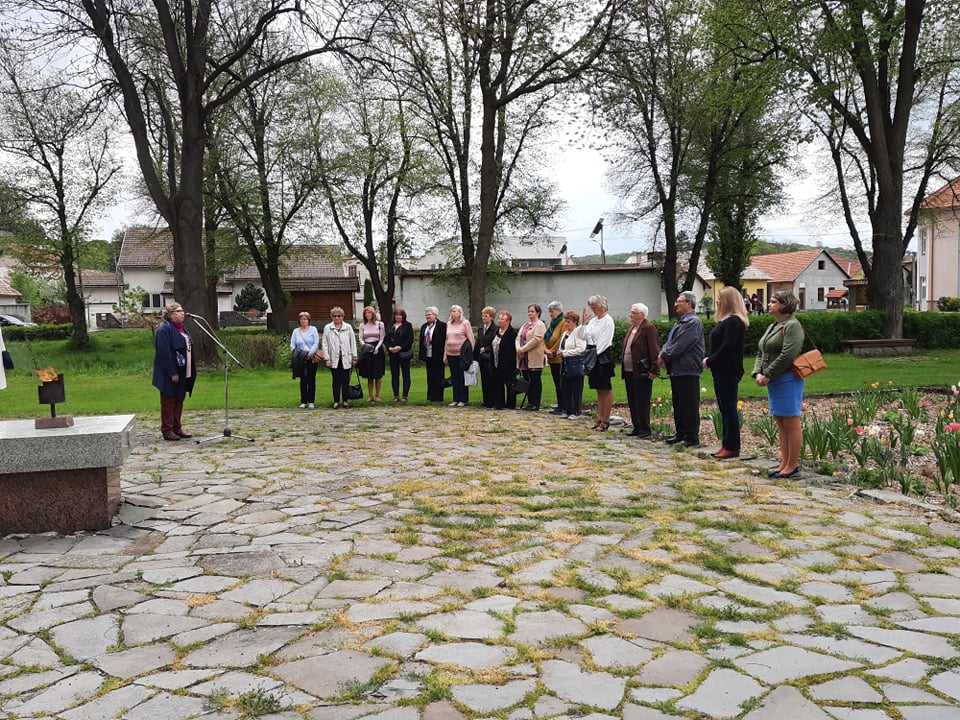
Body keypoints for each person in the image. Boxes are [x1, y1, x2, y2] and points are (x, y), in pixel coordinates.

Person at [752, 289, 805, 478]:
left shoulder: (793, 326)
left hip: (787, 379)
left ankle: (792, 465)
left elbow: (788, 355)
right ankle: (784, 462)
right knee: (780, 422)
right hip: (774, 380)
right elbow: (762, 351)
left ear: (784, 305)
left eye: (773, 301)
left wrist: (767, 374)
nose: (769, 304)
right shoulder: (774, 325)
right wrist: (757, 372)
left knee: (790, 421)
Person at [704, 286, 749, 458]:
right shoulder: (727, 321)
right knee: (724, 407)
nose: (717, 301)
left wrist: (710, 360)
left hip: (728, 370)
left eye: (719, 298)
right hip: (720, 370)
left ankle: (732, 446)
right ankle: (726, 443)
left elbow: (727, 347)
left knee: (729, 408)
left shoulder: (734, 322)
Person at [657, 291, 705, 447]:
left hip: (687, 368)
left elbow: (680, 344)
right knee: (678, 403)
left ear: (689, 304)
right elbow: (670, 342)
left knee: (688, 404)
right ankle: (681, 433)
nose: (675, 304)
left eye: (679, 301)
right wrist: (662, 354)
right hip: (677, 368)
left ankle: (691, 436)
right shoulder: (680, 322)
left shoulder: (693, 323)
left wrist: (664, 356)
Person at [151, 303, 195, 441]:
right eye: (179, 311)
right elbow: (163, 353)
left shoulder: (182, 328)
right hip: (169, 373)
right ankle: (167, 429)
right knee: (169, 400)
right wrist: (172, 372)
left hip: (183, 371)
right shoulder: (164, 329)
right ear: (170, 314)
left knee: (179, 399)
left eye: (182, 310)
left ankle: (177, 427)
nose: (183, 313)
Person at [621, 302, 660, 438]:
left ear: (641, 315)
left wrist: (654, 368)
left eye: (633, 312)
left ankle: (644, 428)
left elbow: (654, 348)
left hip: (641, 370)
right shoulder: (631, 328)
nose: (630, 315)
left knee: (642, 399)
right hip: (629, 370)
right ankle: (636, 426)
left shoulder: (648, 328)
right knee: (632, 398)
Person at [582, 295, 615, 430]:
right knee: (598, 389)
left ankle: (605, 419)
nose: (593, 310)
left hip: (602, 356)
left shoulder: (608, 321)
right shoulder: (593, 321)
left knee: (605, 388)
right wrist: (584, 324)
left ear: (601, 307)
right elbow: (585, 336)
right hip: (592, 353)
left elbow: (605, 341)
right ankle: (599, 417)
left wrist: (594, 355)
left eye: (594, 307)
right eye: (592, 307)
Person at [322, 306, 357, 408]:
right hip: (334, 358)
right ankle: (336, 401)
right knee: (336, 380)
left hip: (346, 357)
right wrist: (327, 358)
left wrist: (354, 357)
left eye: (339, 316)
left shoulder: (348, 327)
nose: (337, 318)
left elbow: (352, 343)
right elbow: (324, 343)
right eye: (334, 316)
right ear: (331, 317)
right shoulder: (328, 328)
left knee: (346, 380)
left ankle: (345, 400)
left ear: (342, 317)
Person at [556, 310, 586, 420]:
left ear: (574, 322)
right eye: (565, 321)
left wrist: (565, 353)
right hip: (565, 364)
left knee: (575, 389)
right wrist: (560, 351)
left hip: (575, 363)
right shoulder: (565, 334)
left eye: (568, 322)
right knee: (565, 387)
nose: (566, 324)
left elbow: (581, 349)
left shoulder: (578, 333)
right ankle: (567, 410)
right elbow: (562, 346)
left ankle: (576, 411)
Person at [516, 304, 546, 411]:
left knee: (535, 380)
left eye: (532, 311)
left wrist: (523, 349)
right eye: (529, 311)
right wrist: (518, 349)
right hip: (523, 358)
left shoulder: (540, 325)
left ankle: (535, 403)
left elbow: (536, 340)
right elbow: (518, 338)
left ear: (538, 313)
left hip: (534, 357)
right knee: (526, 380)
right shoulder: (525, 325)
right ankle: (529, 402)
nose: (530, 313)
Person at [444, 304, 475, 407]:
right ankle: (455, 399)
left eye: (454, 311)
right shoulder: (448, 324)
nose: (452, 313)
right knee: (454, 377)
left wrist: (470, 354)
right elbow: (446, 340)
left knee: (462, 377)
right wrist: (445, 354)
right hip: (450, 353)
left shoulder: (465, 323)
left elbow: (471, 339)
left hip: (461, 355)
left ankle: (463, 399)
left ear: (460, 313)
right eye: (451, 312)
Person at [290, 311, 320, 408]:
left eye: (305, 319)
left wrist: (310, 353)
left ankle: (311, 401)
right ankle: (303, 401)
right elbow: (292, 345)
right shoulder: (296, 331)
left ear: (308, 320)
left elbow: (316, 342)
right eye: (301, 319)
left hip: (311, 357)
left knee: (311, 380)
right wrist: (297, 353)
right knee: (303, 380)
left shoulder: (313, 329)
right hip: (300, 358)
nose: (303, 321)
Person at [490, 310, 518, 410]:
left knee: (509, 383)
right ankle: (499, 403)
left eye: (502, 319)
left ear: (508, 321)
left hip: (508, 363)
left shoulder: (513, 332)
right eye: (499, 318)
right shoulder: (496, 331)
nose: (499, 320)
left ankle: (510, 404)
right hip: (496, 361)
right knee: (497, 383)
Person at [385, 307, 414, 402]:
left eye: (400, 315)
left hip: (404, 353)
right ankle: (396, 395)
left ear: (403, 316)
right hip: (393, 354)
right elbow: (386, 339)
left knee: (405, 374)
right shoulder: (390, 325)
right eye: (396, 315)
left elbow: (410, 339)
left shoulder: (407, 325)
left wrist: (400, 347)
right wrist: (389, 347)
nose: (398, 317)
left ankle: (405, 395)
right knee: (394, 374)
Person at [357, 306, 385, 402]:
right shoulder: (362, 325)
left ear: (373, 314)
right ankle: (370, 395)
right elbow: (360, 338)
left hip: (377, 349)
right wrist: (365, 346)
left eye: (369, 313)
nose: (367, 315)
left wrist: (377, 347)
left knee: (378, 374)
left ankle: (377, 395)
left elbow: (382, 338)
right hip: (367, 349)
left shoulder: (380, 324)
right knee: (369, 375)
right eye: (366, 313)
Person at [419, 306, 447, 402]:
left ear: (435, 315)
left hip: (438, 354)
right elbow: (421, 341)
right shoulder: (424, 326)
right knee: (430, 376)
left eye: (429, 314)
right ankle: (430, 396)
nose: (427, 316)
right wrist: (421, 355)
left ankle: (438, 396)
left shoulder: (442, 326)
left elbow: (445, 340)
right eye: (426, 315)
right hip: (428, 354)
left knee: (438, 376)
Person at [543, 301, 565, 414]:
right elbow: (544, 339)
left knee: (561, 383)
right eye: (549, 312)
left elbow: (561, 338)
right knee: (556, 382)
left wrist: (552, 350)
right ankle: (559, 405)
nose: (550, 314)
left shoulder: (563, 322)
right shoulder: (550, 324)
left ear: (559, 311)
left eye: (552, 311)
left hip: (558, 357)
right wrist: (545, 350)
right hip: (551, 358)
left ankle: (563, 405)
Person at [475, 306, 498, 408]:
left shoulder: (495, 329)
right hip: (482, 358)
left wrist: (486, 348)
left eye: (486, 316)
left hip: (490, 357)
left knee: (491, 379)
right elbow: (479, 342)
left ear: (491, 317)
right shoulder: (481, 329)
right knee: (484, 379)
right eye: (483, 316)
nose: (483, 318)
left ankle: (493, 400)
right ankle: (486, 400)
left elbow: (495, 343)